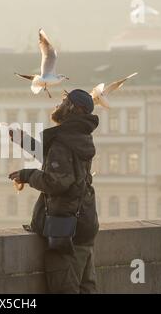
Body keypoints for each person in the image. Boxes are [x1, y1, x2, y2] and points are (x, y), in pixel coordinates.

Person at [8, 89, 99, 294]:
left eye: (64, 101)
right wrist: (25, 141)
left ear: (74, 108)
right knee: (87, 289)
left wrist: (27, 175)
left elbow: (56, 181)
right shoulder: (80, 137)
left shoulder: (63, 141)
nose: (59, 103)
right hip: (84, 222)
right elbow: (59, 163)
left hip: (66, 229)